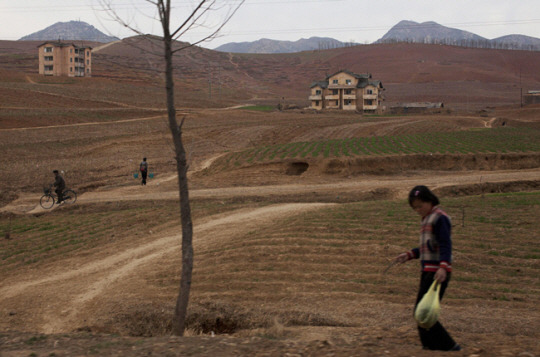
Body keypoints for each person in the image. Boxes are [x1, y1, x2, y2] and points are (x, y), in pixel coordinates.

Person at [394, 185, 461, 351]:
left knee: (423, 312)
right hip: (427, 271)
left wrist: (443, 268)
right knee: (421, 312)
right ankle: (429, 346)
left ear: (430, 201)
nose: (417, 210)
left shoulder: (440, 218)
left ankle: (449, 346)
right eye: (414, 207)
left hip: (437, 273)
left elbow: (445, 244)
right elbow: (427, 246)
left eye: (420, 206)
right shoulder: (426, 219)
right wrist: (409, 255)